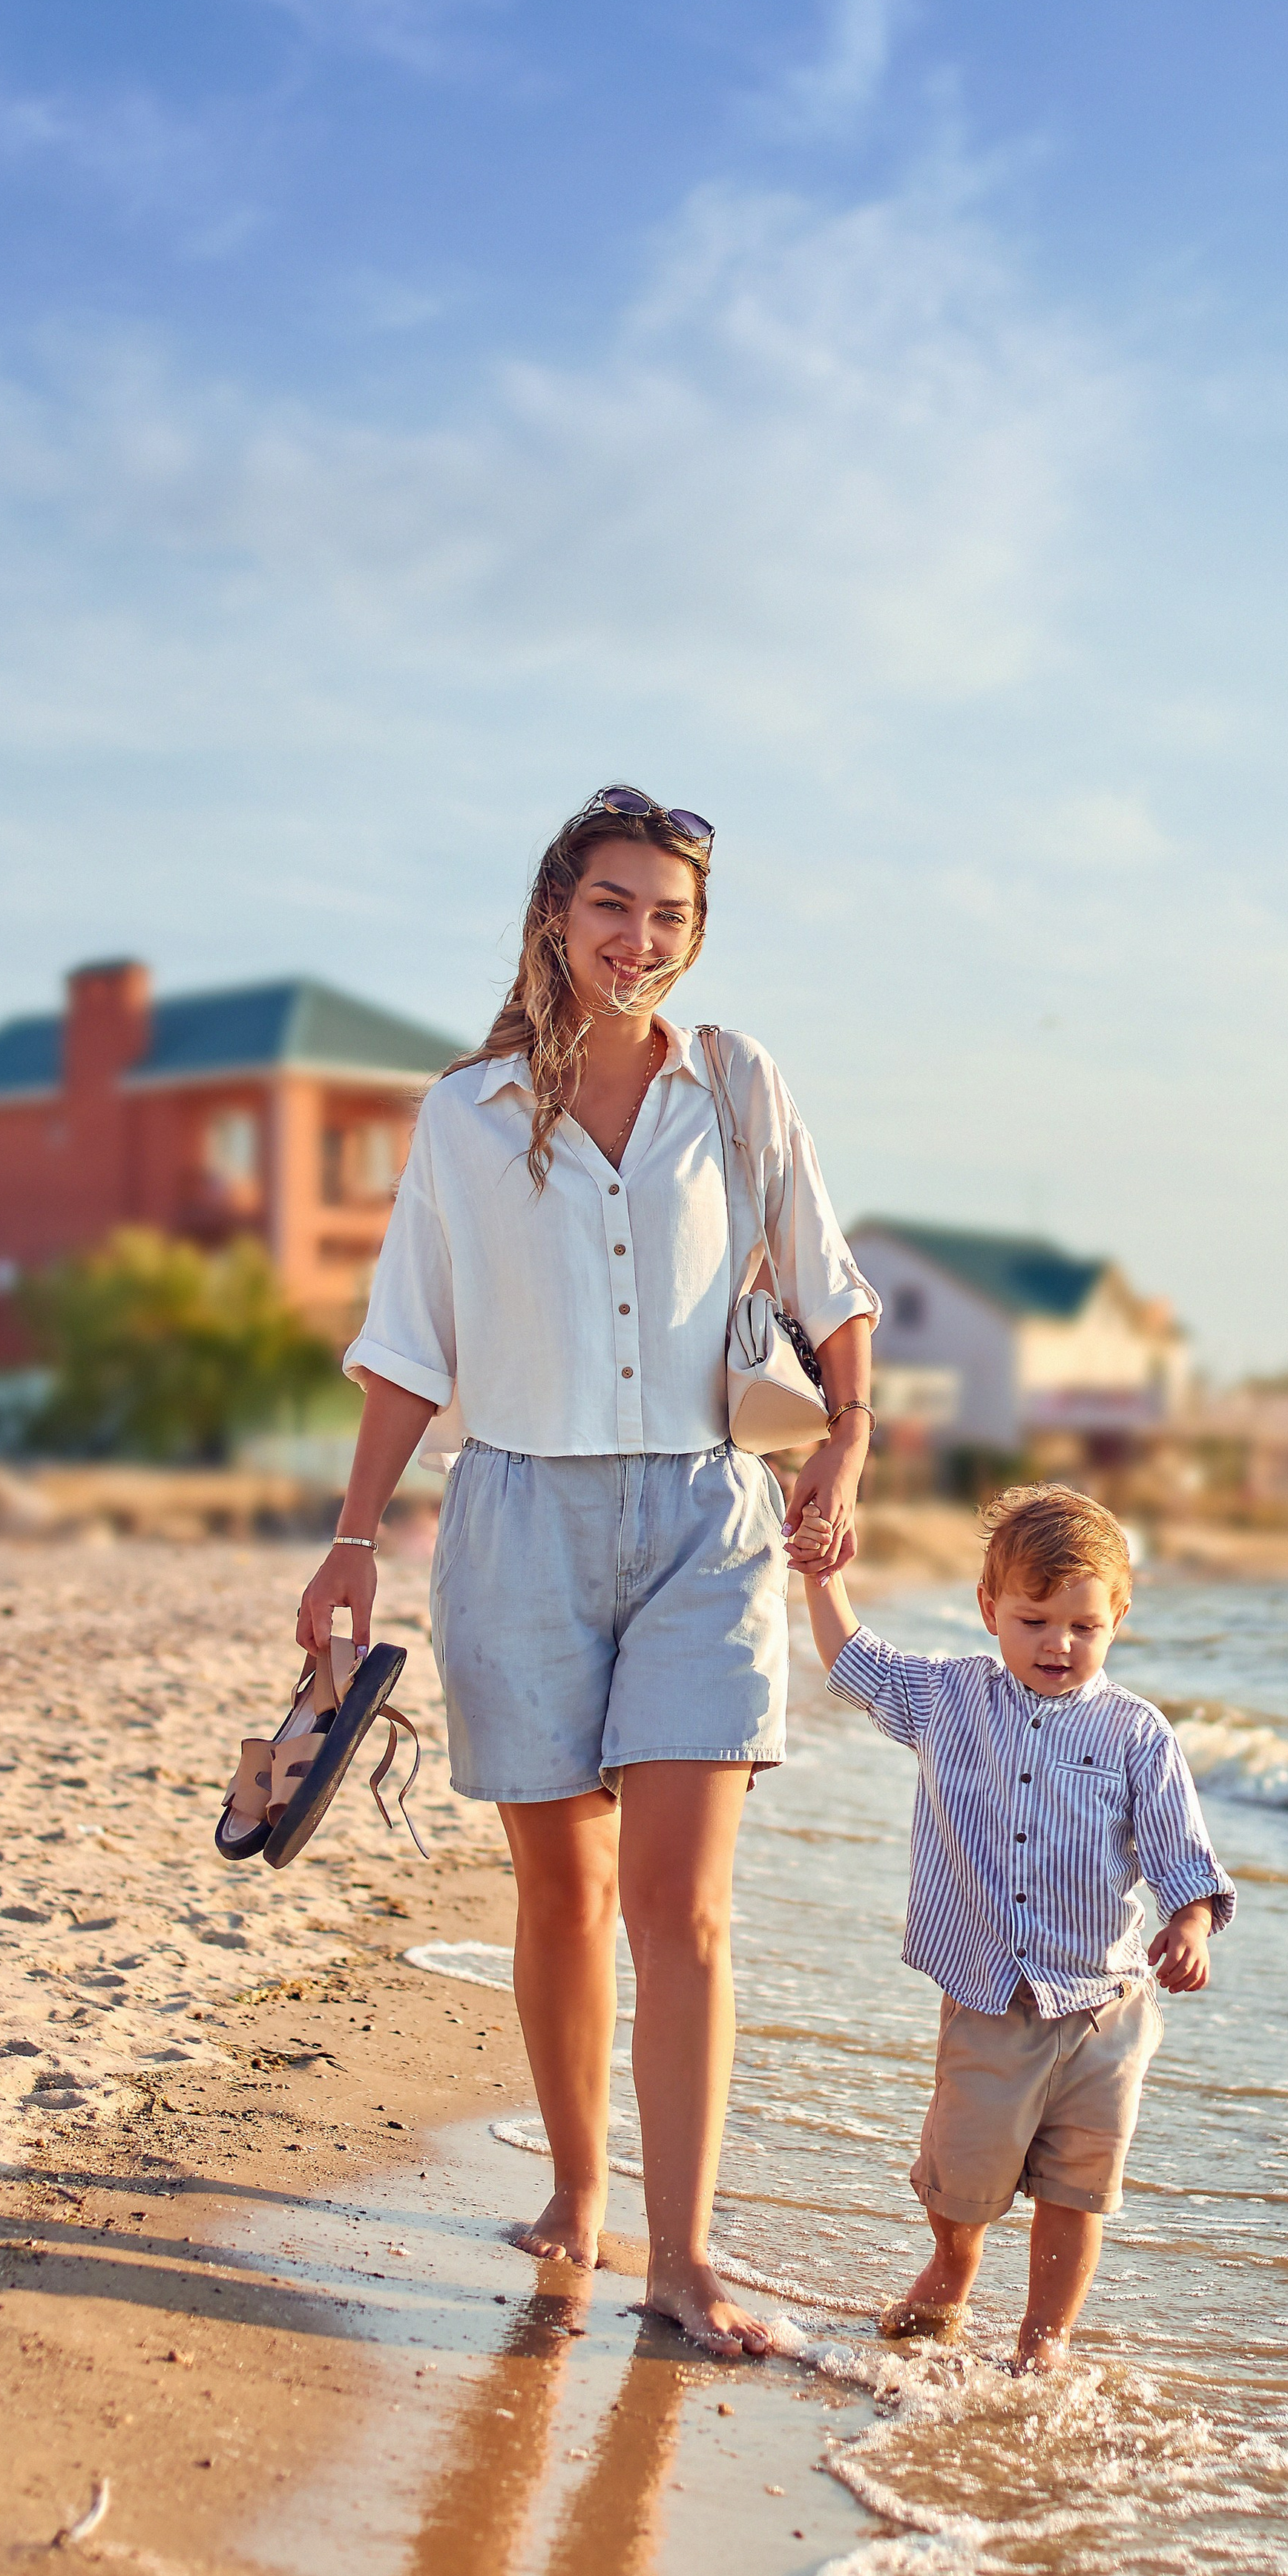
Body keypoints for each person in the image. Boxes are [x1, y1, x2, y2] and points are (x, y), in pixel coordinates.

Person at [298, 787, 878, 2357]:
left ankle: (680, 2262)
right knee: (562, 1886)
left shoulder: (737, 1085)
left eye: (670, 916)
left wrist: (846, 1438)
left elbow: (830, 1286)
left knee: (681, 1909)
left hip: (705, 1518)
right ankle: (574, 2192)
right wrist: (350, 1542)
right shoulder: (465, 1114)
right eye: (614, 905)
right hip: (517, 1520)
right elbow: (408, 1346)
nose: (640, 939)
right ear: (558, 909)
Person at [789, 1481, 1233, 2370]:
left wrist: (1188, 1923)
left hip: (1105, 2007)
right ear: (989, 1609)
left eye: (1083, 1626)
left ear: (1118, 1619)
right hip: (991, 1997)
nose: (1058, 1645)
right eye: (1033, 1621)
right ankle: (954, 2267)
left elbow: (1181, 1848)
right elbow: (854, 1663)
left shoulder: (1137, 1734)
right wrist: (822, 1579)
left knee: (1077, 2187)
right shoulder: (948, 1701)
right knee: (963, 2178)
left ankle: (1044, 2340)